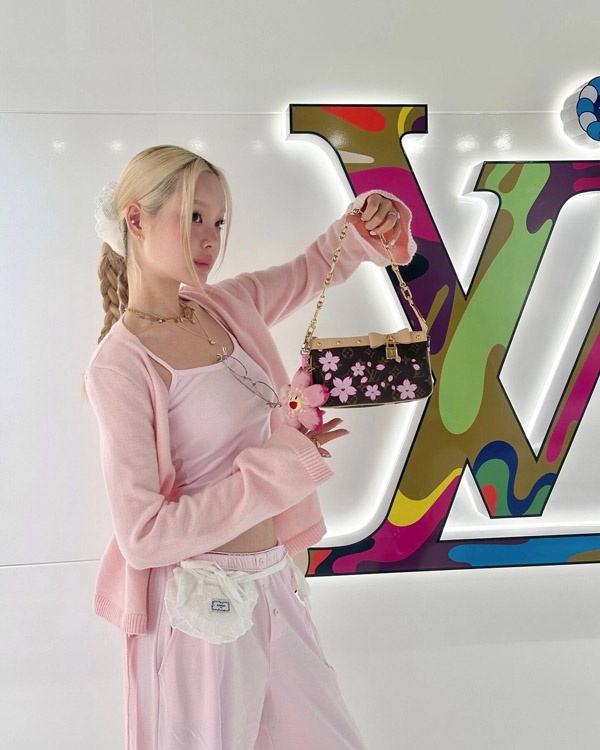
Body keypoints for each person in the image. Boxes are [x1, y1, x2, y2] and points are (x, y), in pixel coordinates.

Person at [84, 144, 416, 750]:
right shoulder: (121, 364)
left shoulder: (224, 306)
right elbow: (144, 534)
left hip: (272, 580)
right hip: (199, 603)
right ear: (136, 219)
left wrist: (370, 221)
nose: (210, 238)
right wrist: (282, 466)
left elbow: (316, 267)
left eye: (218, 222)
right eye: (193, 217)